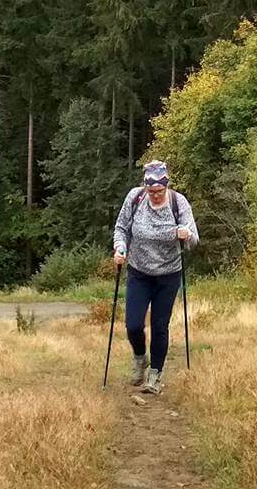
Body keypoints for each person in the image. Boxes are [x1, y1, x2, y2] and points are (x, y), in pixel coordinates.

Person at [111, 160, 199, 394]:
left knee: (160, 325)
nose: (156, 195)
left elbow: (194, 240)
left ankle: (155, 375)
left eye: (160, 191)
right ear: (145, 188)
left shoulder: (178, 203)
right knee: (133, 325)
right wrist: (120, 248)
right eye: (152, 191)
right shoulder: (135, 198)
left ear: (166, 186)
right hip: (139, 272)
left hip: (168, 274)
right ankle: (140, 358)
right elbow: (121, 228)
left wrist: (186, 234)